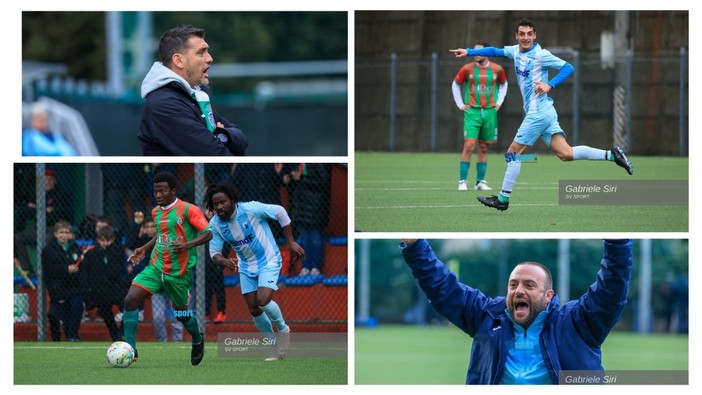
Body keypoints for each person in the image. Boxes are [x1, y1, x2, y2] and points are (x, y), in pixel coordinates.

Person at [450, 18, 633, 211]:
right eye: (522, 34)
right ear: (517, 36)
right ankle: (612, 155)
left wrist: (549, 84)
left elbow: (568, 67)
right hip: (546, 112)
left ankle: (503, 199)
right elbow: (494, 51)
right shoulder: (514, 51)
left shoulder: (541, 55)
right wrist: (469, 52)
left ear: (535, 35)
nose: (526, 38)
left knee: (512, 154)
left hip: (538, 113)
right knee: (565, 153)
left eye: (529, 34)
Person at [400, 238, 633, 384]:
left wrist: (617, 243)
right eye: (513, 284)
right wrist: (415, 245)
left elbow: (611, 289)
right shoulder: (487, 316)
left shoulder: (576, 323)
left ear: (548, 295)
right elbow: (443, 289)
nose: (518, 290)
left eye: (529, 285)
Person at [205, 182, 305, 361]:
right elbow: (214, 253)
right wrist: (224, 260)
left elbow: (280, 212)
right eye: (216, 204)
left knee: (263, 299)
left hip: (269, 260)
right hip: (246, 266)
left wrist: (290, 242)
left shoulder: (251, 209)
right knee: (253, 308)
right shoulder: (216, 224)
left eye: (223, 202)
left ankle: (283, 330)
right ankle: (274, 347)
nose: (219, 207)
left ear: (232, 200)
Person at [125, 172, 213, 365]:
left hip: (178, 273)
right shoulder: (156, 212)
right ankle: (131, 349)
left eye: (163, 190)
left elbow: (208, 234)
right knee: (130, 299)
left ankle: (197, 339)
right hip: (156, 267)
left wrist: (186, 245)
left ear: (173, 190)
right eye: (156, 190)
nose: (158, 194)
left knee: (181, 314)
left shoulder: (189, 210)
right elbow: (160, 235)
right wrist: (143, 248)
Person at [139, 25, 248, 156]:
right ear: (179, 60)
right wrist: (222, 140)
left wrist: (222, 136)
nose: (210, 58)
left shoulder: (190, 96)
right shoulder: (165, 105)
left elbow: (242, 138)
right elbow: (217, 157)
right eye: (201, 53)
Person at [452, 42, 508, 191]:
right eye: (474, 51)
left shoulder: (497, 69)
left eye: (480, 51)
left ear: (487, 53)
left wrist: (499, 102)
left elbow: (504, 84)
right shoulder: (467, 69)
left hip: (490, 112)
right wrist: (460, 104)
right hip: (473, 112)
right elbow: (455, 84)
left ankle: (480, 182)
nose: (476, 54)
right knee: (469, 145)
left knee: (483, 147)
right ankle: (462, 181)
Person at [14, 167, 72, 276]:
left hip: (54, 229)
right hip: (38, 229)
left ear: (55, 181)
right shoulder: (35, 193)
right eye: (45, 180)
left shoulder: (60, 194)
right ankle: (28, 271)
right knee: (18, 238)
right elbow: (24, 211)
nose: (48, 182)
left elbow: (58, 215)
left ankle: (49, 272)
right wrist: (44, 210)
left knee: (49, 239)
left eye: (50, 179)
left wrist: (37, 209)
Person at [80, 225, 128, 341]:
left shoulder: (118, 252)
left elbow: (121, 271)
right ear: (98, 240)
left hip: (116, 289)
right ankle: (115, 335)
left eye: (108, 240)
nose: (105, 243)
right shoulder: (90, 255)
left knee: (129, 309)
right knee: (107, 315)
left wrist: (123, 285)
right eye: (102, 240)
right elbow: (85, 275)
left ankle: (121, 333)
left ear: (112, 239)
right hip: (100, 291)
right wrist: (89, 293)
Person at [283, 164, 331, 276]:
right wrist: (289, 178)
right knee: (303, 239)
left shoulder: (320, 162)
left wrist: (302, 178)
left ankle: (315, 267)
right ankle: (305, 267)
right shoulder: (295, 163)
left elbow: (323, 181)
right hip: (299, 207)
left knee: (315, 237)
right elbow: (293, 183)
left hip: (315, 206)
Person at [42, 220, 83, 341]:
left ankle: (72, 335)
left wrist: (76, 269)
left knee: (77, 306)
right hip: (57, 287)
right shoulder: (48, 250)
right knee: (56, 315)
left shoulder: (75, 248)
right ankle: (57, 338)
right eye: (61, 232)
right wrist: (66, 269)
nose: (64, 235)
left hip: (74, 286)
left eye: (66, 232)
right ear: (55, 234)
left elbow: (81, 264)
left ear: (70, 234)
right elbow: (49, 269)